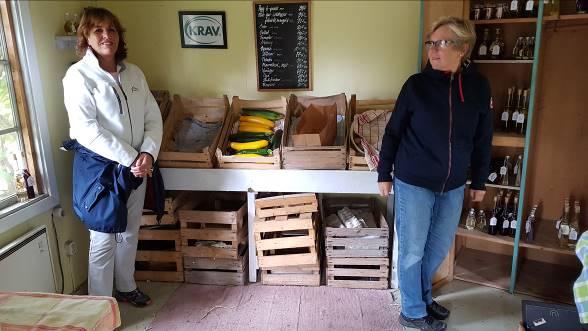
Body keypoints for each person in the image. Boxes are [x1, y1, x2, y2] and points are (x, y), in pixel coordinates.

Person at [377, 17, 492, 331]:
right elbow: (393, 132)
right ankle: (413, 312)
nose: (434, 49)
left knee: (438, 248)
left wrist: (479, 179)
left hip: (453, 184)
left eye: (443, 43)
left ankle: (423, 298)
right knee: (412, 249)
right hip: (413, 181)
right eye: (432, 42)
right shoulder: (416, 85)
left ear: (463, 48)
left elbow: (483, 137)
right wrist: (383, 172)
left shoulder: (479, 87)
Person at [63, 7, 163, 307]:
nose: (107, 36)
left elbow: (153, 118)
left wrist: (148, 153)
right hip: (102, 171)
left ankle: (126, 285)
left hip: (137, 167)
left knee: (130, 231)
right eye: (98, 30)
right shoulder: (78, 77)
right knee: (103, 237)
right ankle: (99, 305)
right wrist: (132, 157)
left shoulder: (134, 73)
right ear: (86, 37)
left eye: (112, 29)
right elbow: (85, 129)